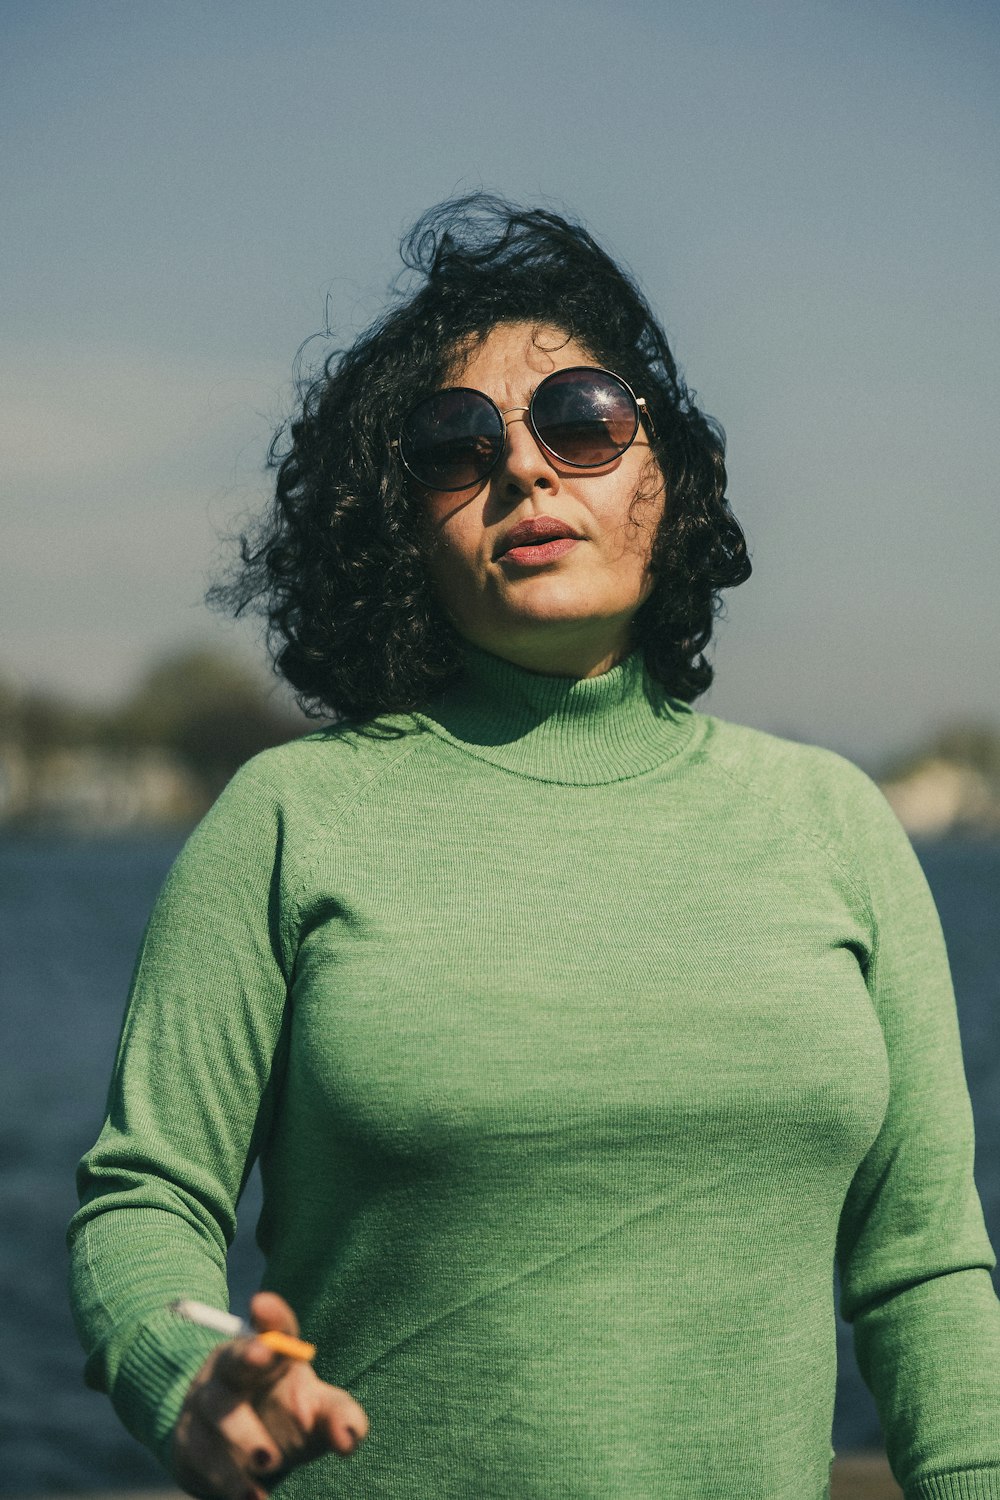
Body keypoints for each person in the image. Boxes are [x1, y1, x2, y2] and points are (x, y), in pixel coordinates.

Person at [69, 195, 1000, 1500]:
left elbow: (925, 1267)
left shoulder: (835, 823)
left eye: (582, 419)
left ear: (663, 477)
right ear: (404, 535)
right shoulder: (288, 821)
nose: (525, 467)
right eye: (456, 447)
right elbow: (144, 1199)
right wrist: (186, 1375)